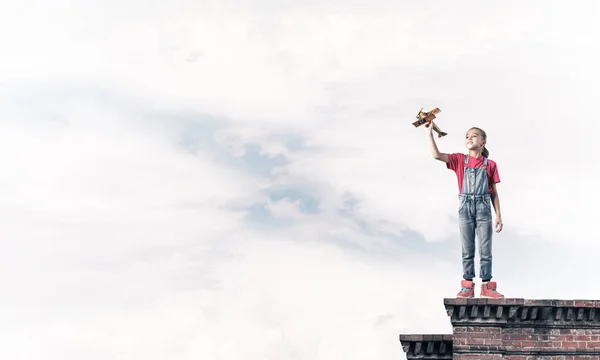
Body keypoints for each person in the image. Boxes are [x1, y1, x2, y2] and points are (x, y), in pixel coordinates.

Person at [427, 122, 504, 298]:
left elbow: (494, 192)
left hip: (484, 208)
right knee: (467, 248)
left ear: (483, 142)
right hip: (465, 207)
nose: (469, 137)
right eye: (467, 136)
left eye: (474, 135)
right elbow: (436, 155)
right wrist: (429, 133)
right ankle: (468, 286)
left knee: (485, 248)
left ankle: (487, 285)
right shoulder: (460, 160)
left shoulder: (490, 164)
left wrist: (498, 215)